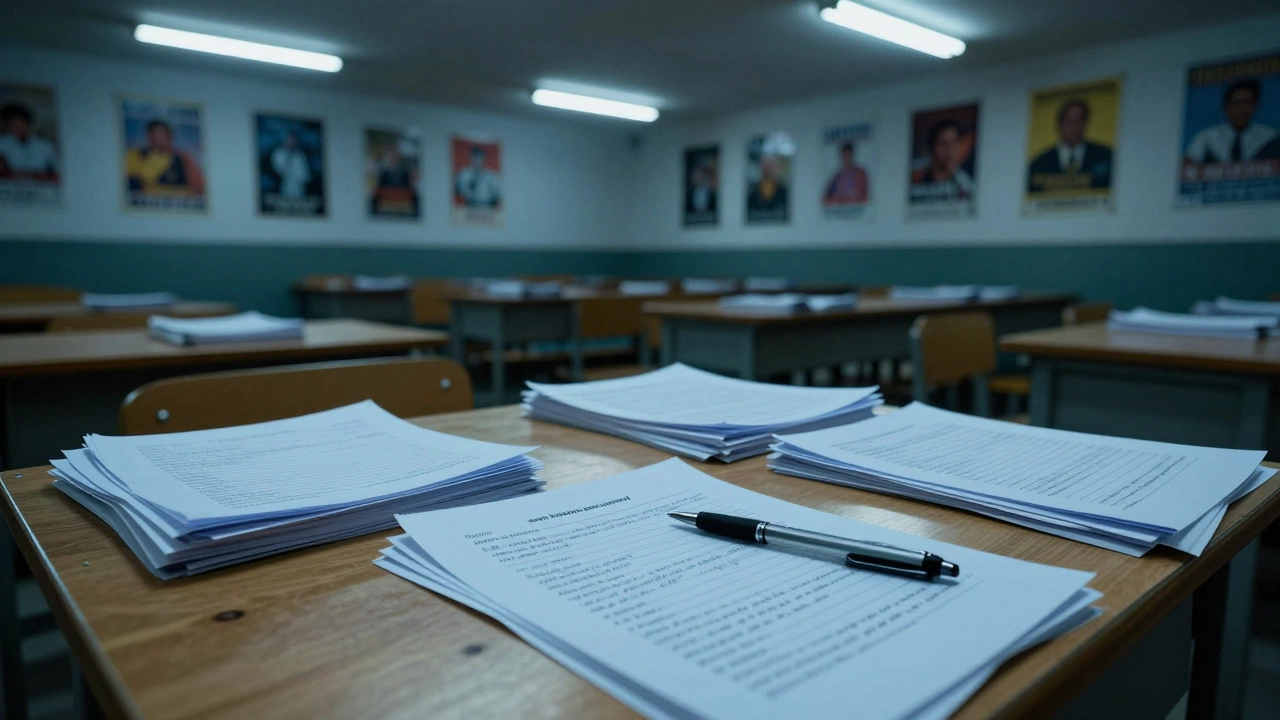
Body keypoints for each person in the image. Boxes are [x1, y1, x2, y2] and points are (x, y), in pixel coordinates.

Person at [1027, 99, 1113, 192]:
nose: (1073, 126)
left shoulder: (1105, 156)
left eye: (1078, 121)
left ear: (1085, 124)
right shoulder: (1039, 164)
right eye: (1069, 120)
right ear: (1059, 124)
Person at [1185, 78, 1277, 163]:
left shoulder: (1271, 138)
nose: (1241, 109)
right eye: (1236, 103)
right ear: (1226, 107)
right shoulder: (1206, 138)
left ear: (1255, 105)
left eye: (1246, 102)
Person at [125, 119, 205, 200]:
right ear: (149, 136)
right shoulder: (135, 155)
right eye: (155, 134)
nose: (159, 138)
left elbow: (198, 187)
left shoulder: (183, 158)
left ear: (170, 136)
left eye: (163, 134)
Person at [912, 119, 974, 199]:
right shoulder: (917, 179)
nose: (949, 150)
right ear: (932, 147)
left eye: (953, 143)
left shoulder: (966, 183)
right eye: (943, 143)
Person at [0, 102, 58, 180]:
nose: (18, 127)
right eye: (14, 123)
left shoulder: (45, 145)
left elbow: (56, 170)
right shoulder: (2, 144)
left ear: (28, 123)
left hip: (41, 186)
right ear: (8, 125)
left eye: (21, 122)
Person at [370, 141, 418, 216]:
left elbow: (411, 191)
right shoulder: (384, 173)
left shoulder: (405, 173)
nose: (393, 157)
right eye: (390, 155)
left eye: (395, 154)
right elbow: (378, 192)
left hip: (402, 206)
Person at [823, 140, 869, 204]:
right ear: (841, 157)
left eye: (849, 157)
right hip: (839, 211)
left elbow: (865, 197)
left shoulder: (861, 174)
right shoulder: (836, 177)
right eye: (845, 157)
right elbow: (826, 200)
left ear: (852, 156)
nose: (847, 160)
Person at [271, 131, 312, 199]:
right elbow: (277, 168)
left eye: (294, 140)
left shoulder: (300, 155)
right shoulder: (279, 153)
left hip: (298, 186)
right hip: (284, 185)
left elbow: (305, 172)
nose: (292, 142)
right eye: (290, 140)